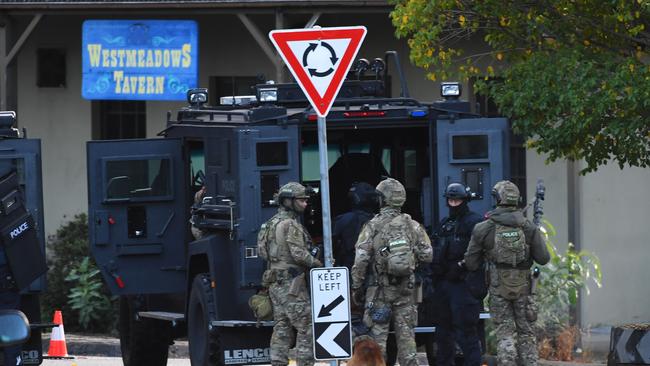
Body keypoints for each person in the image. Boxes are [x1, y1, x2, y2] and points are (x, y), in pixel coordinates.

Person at [464, 180, 550, 366]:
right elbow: (543, 258)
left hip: (497, 288)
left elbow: (471, 263)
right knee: (526, 334)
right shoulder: (528, 227)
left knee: (505, 333)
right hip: (525, 289)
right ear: (516, 199)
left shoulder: (484, 228)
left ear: (497, 198)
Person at [350, 178, 432, 366]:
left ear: (381, 199)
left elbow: (360, 260)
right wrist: (410, 260)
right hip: (407, 291)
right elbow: (428, 255)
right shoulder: (413, 226)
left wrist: (356, 287)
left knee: (377, 344)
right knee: (407, 342)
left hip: (379, 291)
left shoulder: (372, 226)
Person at [257, 182, 322, 366]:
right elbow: (299, 255)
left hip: (275, 283)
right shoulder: (291, 225)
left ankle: (278, 362)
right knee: (307, 326)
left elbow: (262, 252)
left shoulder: (269, 224)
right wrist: (318, 263)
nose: (305, 204)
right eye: (301, 200)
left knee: (282, 327)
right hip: (291, 285)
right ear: (288, 201)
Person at [430, 183, 484, 366]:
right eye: (451, 200)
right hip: (444, 285)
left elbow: (479, 253)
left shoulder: (475, 222)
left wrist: (461, 267)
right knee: (442, 333)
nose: (454, 203)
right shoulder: (444, 224)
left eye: (457, 200)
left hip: (464, 284)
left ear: (465, 200)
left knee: (467, 333)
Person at [332, 182, 378, 272]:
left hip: (350, 269)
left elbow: (330, 247)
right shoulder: (380, 220)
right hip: (375, 270)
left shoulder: (343, 220)